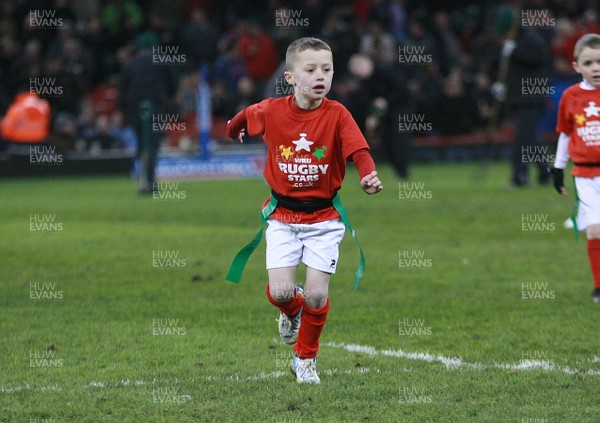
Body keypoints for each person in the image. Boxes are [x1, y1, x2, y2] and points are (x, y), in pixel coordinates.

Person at [226, 37, 383, 383]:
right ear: (290, 78)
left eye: (326, 69)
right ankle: (291, 311)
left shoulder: (338, 113)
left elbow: (359, 149)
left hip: (324, 218)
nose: (320, 76)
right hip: (282, 217)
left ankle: (305, 359)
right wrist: (233, 128)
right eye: (310, 69)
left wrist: (368, 173)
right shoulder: (273, 110)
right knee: (282, 292)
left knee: (316, 293)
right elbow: (245, 116)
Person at [551, 33, 600, 303]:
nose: (596, 68)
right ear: (576, 66)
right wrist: (557, 170)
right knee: (594, 230)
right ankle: (598, 286)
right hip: (585, 175)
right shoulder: (570, 96)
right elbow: (566, 135)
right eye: (589, 62)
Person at [119, 32, 177, 194]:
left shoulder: (130, 65)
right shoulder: (161, 62)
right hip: (156, 108)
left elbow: (123, 93)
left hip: (135, 110)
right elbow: (172, 87)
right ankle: (148, 182)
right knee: (151, 145)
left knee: (142, 144)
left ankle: (143, 179)